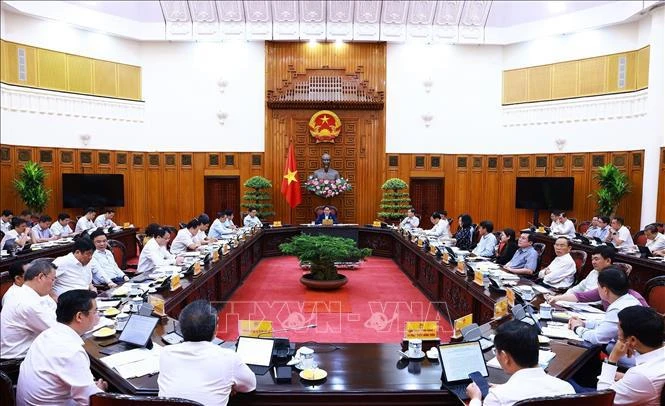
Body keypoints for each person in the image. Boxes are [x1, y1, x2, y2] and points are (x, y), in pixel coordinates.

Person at [17, 289, 107, 405]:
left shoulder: (47, 334)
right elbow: (91, 400)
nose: (97, 315)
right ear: (79, 316)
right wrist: (99, 390)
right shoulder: (71, 351)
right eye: (95, 311)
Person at [158, 300, 256, 405]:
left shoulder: (166, 353)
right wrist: (228, 385)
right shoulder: (228, 358)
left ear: (181, 328)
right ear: (215, 329)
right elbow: (250, 386)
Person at [466, 320, 574, 406]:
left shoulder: (498, 398)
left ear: (504, 357)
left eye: (496, 351)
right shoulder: (566, 389)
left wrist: (475, 399)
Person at [597, 306, 665, 405]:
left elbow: (603, 400)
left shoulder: (641, 375)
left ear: (632, 340)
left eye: (619, 328)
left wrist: (612, 359)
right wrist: (627, 378)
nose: (617, 333)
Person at [547, 245, 648, 309]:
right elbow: (581, 294)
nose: (593, 262)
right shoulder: (594, 273)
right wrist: (557, 298)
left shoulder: (613, 280)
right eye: (592, 259)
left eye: (596, 259)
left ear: (608, 261)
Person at [568, 266, 642, 345]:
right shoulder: (629, 299)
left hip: (632, 354)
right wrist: (585, 323)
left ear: (605, 290)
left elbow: (597, 338)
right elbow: (608, 324)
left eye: (598, 286)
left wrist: (577, 328)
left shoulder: (617, 309)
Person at [0, 259, 57, 359]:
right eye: (53, 279)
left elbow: (52, 307)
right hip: (17, 360)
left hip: (31, 350)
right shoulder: (27, 302)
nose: (54, 284)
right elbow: (57, 331)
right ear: (40, 277)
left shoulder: (26, 292)